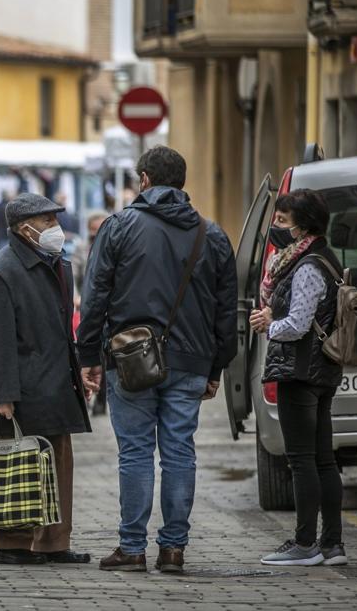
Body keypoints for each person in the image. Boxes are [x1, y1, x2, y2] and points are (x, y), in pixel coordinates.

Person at [77, 146, 237, 573]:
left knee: (135, 452)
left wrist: (88, 354)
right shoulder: (212, 234)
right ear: (181, 182)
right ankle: (174, 549)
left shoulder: (118, 227)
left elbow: (94, 298)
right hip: (190, 361)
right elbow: (227, 310)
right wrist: (217, 366)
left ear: (144, 179)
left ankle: (132, 548)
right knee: (180, 452)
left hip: (131, 360)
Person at [0, 193, 92, 566]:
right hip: (21, 388)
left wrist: (78, 373)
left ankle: (53, 543)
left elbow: (63, 328)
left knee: (56, 465)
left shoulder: (59, 265)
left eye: (55, 220)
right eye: (46, 222)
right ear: (24, 229)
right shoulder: (1, 270)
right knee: (16, 468)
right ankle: (11, 543)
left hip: (56, 383)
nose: (55, 228)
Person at [250, 189, 346, 567]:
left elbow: (297, 324)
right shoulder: (323, 257)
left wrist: (268, 324)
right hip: (319, 371)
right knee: (323, 459)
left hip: (299, 371)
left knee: (302, 460)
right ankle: (332, 545)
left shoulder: (307, 266)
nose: (276, 228)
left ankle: (306, 543)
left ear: (302, 225)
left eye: (282, 221)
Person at [71, 211, 110, 415]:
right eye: (93, 230)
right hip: (87, 311)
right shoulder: (81, 249)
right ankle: (84, 395)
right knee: (85, 355)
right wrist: (77, 298)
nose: (97, 234)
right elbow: (73, 274)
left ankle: (101, 401)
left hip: (108, 313)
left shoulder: (115, 246)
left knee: (104, 359)